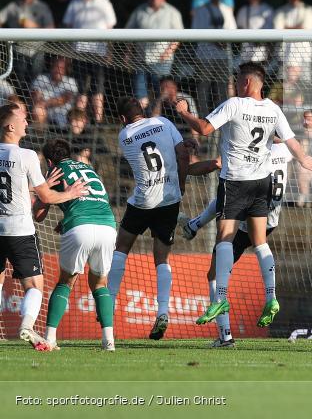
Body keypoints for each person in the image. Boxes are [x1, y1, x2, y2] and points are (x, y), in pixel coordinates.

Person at [174, 62, 312, 326]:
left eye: (239, 79)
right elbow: (290, 141)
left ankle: (220, 298)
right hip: (261, 184)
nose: (236, 84)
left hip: (236, 181)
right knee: (260, 242)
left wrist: (184, 113)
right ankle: (271, 297)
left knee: (224, 240)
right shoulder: (273, 109)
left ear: (248, 82)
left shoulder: (235, 104)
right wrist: (303, 159)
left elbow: (204, 129)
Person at [181, 140, 291, 347]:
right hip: (271, 219)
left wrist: (186, 169)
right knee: (255, 237)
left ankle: (225, 336)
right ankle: (194, 225)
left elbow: (218, 166)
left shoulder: (248, 150)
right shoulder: (285, 149)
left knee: (213, 274)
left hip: (244, 225)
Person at [0, 104, 88, 350]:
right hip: (20, 230)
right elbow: (47, 198)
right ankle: (27, 326)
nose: (27, 122)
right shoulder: (26, 155)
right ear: (10, 126)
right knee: (35, 285)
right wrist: (70, 193)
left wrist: (38, 185)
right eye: (22, 119)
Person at [106, 97, 189, 340]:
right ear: (143, 111)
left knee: (121, 247)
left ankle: (109, 303)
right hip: (169, 198)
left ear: (122, 119)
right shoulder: (164, 122)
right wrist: (180, 184)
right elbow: (182, 154)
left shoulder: (125, 135)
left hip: (143, 201)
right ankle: (163, 311)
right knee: (162, 259)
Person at [36, 138, 118, 351]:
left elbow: (39, 214)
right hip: (108, 227)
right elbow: (92, 200)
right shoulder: (88, 168)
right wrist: (65, 219)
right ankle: (109, 341)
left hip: (80, 227)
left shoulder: (55, 171)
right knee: (100, 283)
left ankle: (50, 338)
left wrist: (44, 190)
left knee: (65, 282)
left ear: (49, 161)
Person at [62, 0, 117, 123]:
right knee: (81, 89)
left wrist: (110, 52)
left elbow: (110, 30)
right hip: (78, 53)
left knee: (97, 88)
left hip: (99, 53)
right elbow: (68, 28)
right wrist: (67, 55)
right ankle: (80, 122)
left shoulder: (104, 2)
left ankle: (98, 122)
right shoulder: (75, 3)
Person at [125, 0, 184, 107]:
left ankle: (159, 124)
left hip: (163, 62)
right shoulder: (139, 11)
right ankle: (144, 124)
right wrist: (128, 53)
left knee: (160, 98)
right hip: (140, 60)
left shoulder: (172, 12)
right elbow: (128, 33)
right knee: (141, 98)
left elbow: (179, 36)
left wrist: (168, 52)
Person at [190, 0, 237, 115]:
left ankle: (222, 120)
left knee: (222, 89)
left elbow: (233, 30)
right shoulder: (201, 10)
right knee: (203, 88)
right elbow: (195, 31)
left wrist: (223, 41)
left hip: (223, 56)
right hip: (204, 56)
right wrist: (215, 40)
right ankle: (203, 120)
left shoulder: (226, 9)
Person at [1, 0, 54, 88]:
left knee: (35, 87)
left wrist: (33, 26)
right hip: (17, 53)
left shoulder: (42, 7)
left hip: (37, 52)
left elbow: (52, 31)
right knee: (17, 87)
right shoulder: (12, 7)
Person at [274, 0, 312, 78]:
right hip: (283, 55)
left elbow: (307, 30)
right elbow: (277, 30)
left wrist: (286, 27)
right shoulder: (280, 11)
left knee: (303, 89)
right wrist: (299, 27)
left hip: (303, 55)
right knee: (283, 88)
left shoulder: (309, 9)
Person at [31, 56, 78, 127]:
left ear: (66, 70)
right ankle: (40, 137)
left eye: (61, 68)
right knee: (38, 110)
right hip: (45, 117)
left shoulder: (70, 82)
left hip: (63, 117)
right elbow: (35, 95)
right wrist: (40, 102)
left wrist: (45, 103)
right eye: (56, 67)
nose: (58, 70)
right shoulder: (42, 78)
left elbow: (64, 99)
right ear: (51, 67)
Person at [235, 0, 274, 64]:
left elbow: (271, 34)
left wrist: (270, 52)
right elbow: (239, 30)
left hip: (262, 54)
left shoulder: (268, 10)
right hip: (246, 54)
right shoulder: (243, 10)